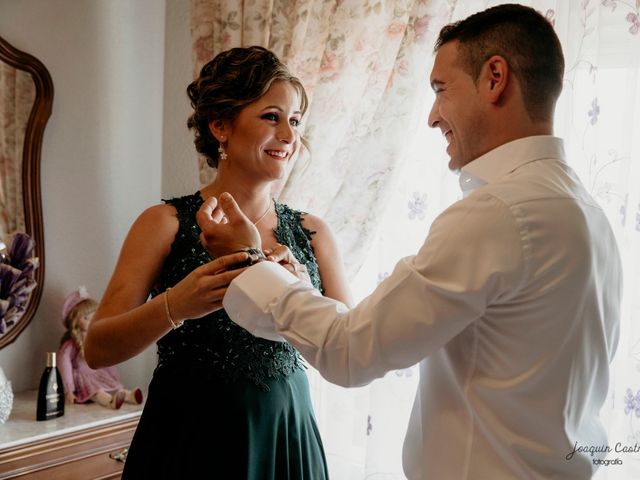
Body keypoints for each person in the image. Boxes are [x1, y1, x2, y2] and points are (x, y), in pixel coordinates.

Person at [197, 5, 623, 479]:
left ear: (495, 78)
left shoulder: (500, 214)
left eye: (441, 89)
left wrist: (253, 265)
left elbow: (351, 351)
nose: (432, 116)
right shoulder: (586, 212)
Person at [84, 46, 352, 479]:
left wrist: (296, 286)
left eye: (296, 121)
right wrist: (175, 305)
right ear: (220, 126)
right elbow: (97, 349)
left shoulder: (313, 233)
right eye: (271, 116)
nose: (289, 135)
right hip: (189, 440)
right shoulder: (164, 224)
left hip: (285, 436)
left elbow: (348, 349)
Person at [58, 286, 143, 409]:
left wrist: (114, 377)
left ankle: (129, 396)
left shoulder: (95, 339)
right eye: (86, 318)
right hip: (82, 377)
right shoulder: (71, 345)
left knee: (114, 386)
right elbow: (64, 365)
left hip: (98, 373)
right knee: (96, 390)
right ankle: (110, 402)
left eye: (93, 316)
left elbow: (106, 360)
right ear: (75, 322)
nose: (91, 321)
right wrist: (69, 390)